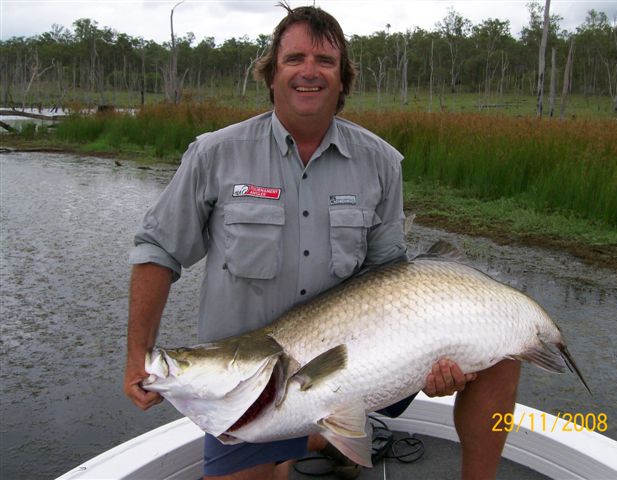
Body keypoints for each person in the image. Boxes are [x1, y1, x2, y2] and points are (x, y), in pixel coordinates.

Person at [123, 5, 520, 480]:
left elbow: (389, 274)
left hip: (363, 366)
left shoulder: (381, 162)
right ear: (271, 75)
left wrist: (433, 361)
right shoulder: (215, 154)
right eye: (293, 59)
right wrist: (137, 354)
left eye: (325, 61)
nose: (308, 72)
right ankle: (307, 437)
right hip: (254, 381)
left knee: (504, 352)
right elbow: (157, 250)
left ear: (342, 79)